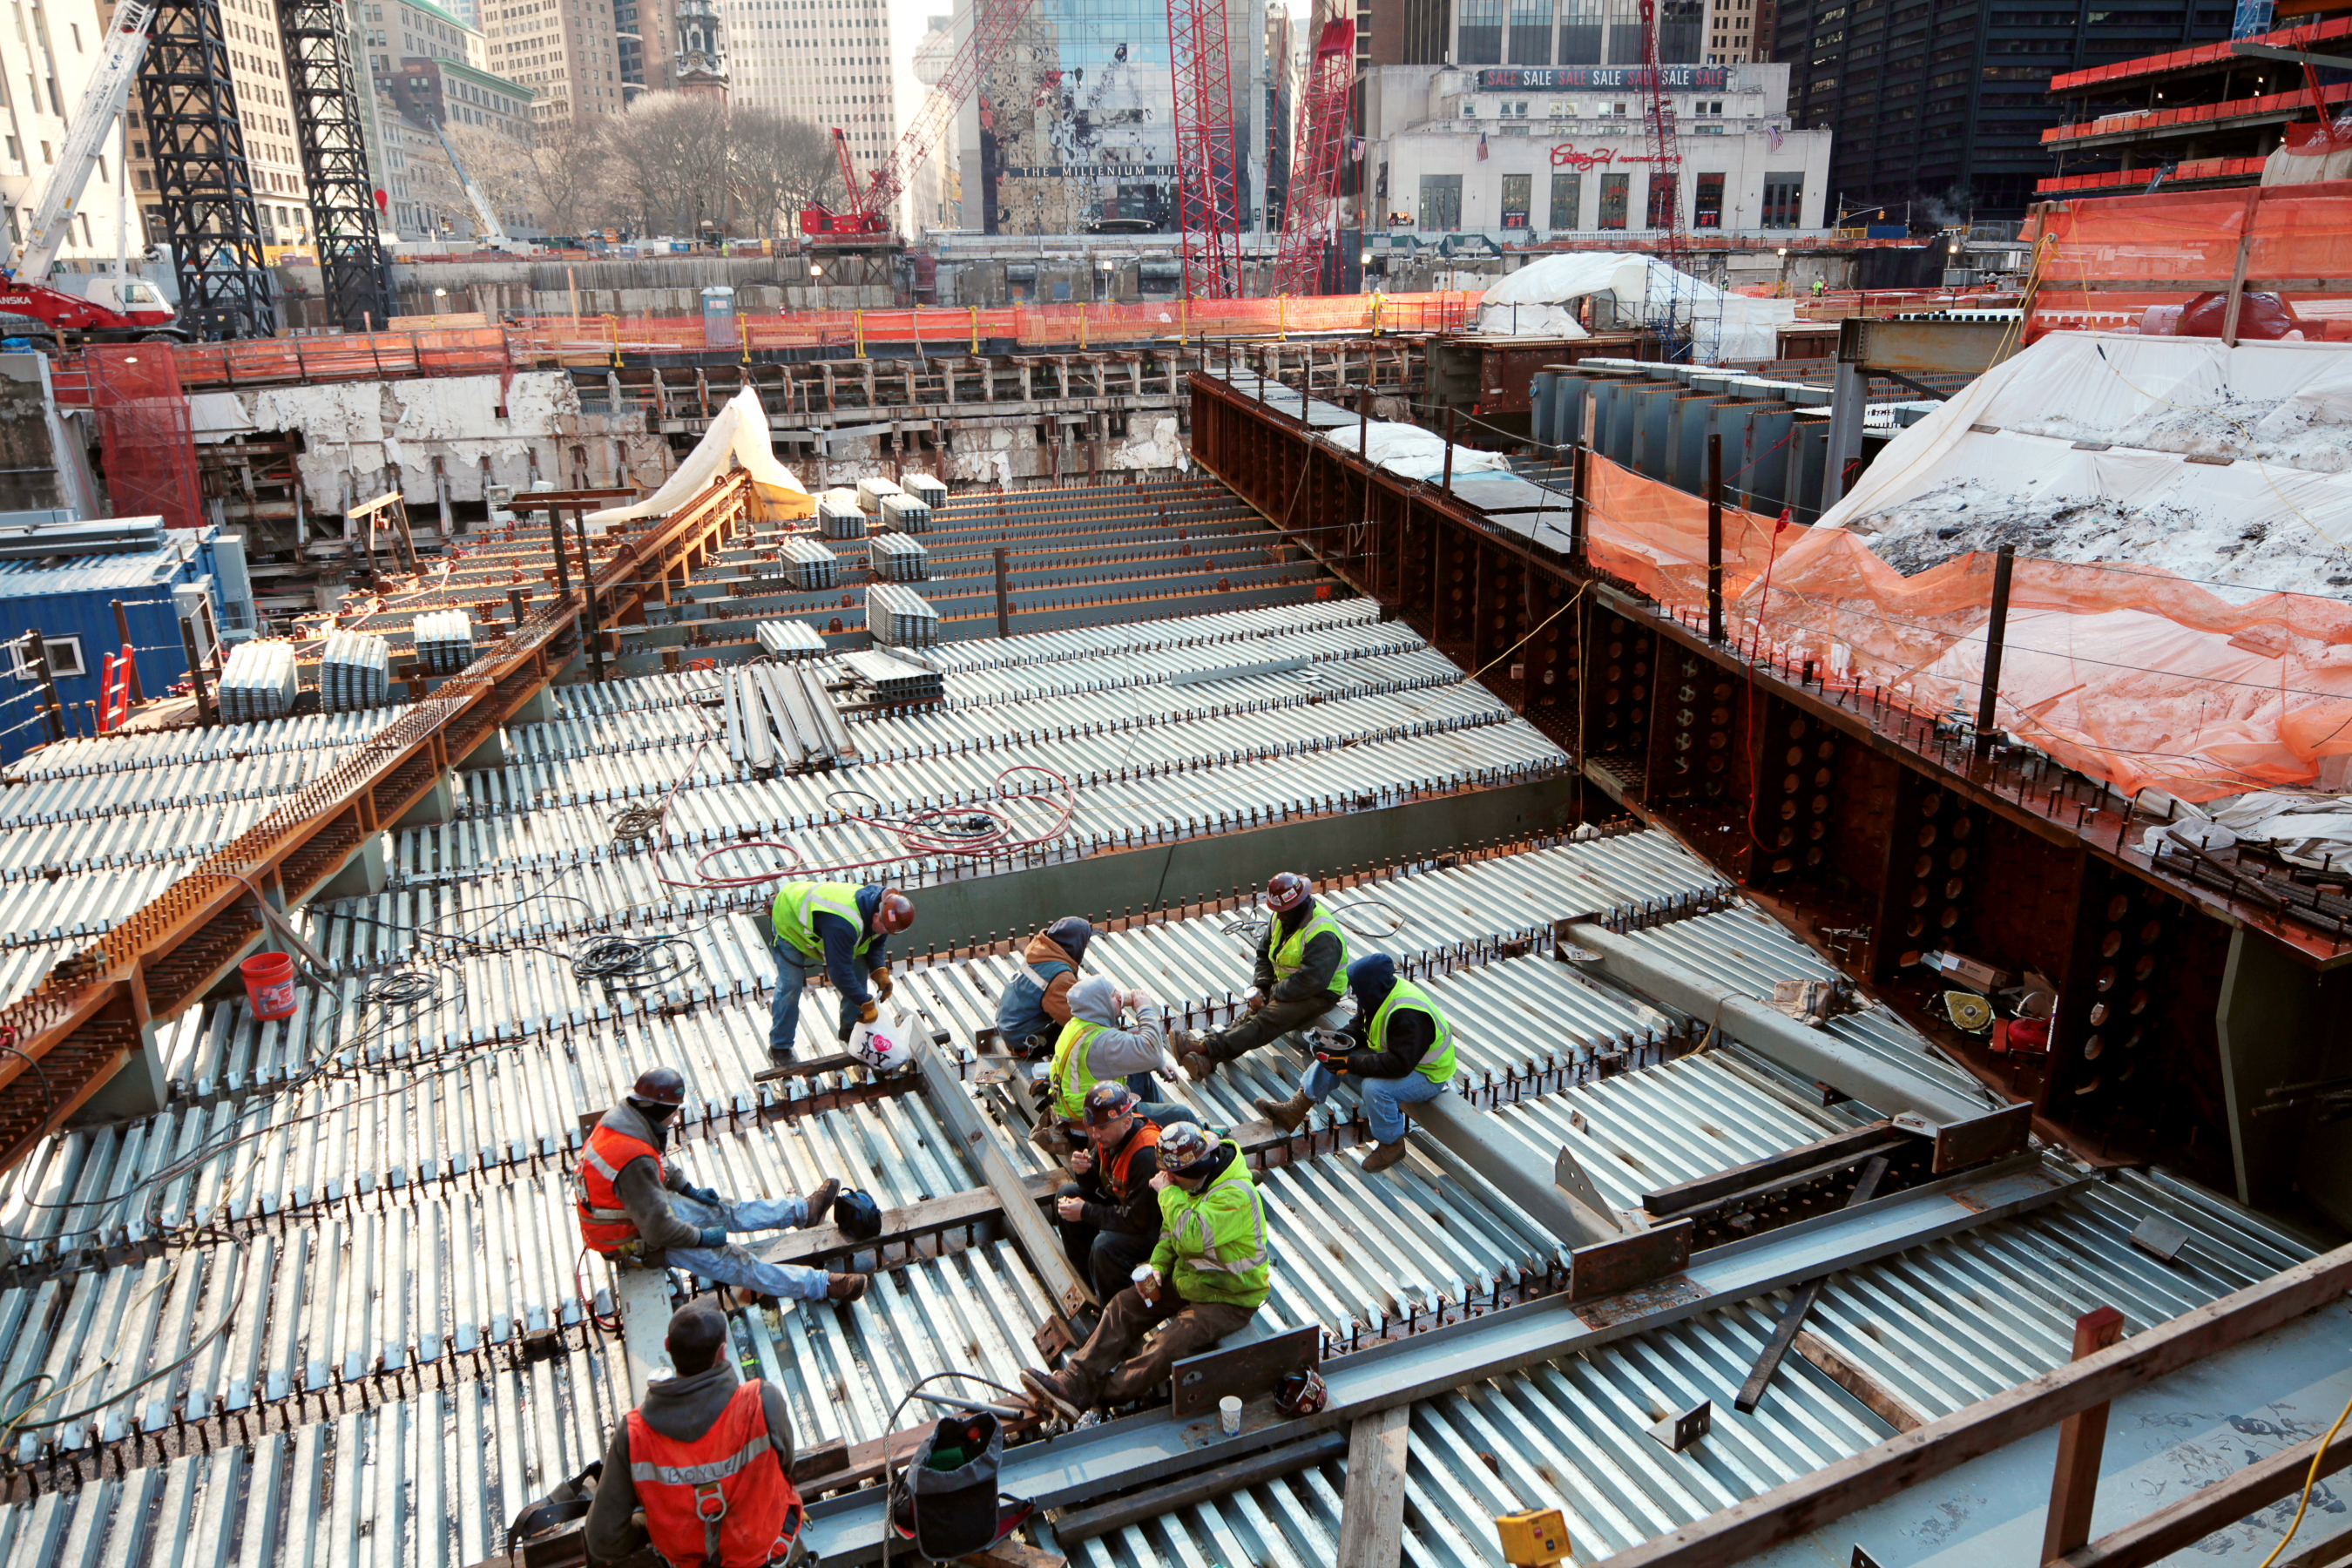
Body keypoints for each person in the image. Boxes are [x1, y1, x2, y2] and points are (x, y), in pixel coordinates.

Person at [1020, 1120, 1270, 1418]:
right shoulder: (1188, 1186)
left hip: (1228, 1296)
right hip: (1190, 1278)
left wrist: (1166, 1193)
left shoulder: (1235, 1195)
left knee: (1167, 1345)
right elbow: (1170, 1233)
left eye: (1170, 1176)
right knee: (1123, 1306)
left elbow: (1191, 1233)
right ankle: (1072, 1382)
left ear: (1190, 1171)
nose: (1166, 1180)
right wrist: (1158, 1267)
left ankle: (1097, 1395)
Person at [577, 1066, 868, 1304]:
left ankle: (803, 1211)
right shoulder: (633, 1158)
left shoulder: (626, 1121)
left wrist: (689, 1191)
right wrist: (703, 1239)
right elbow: (659, 1230)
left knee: (720, 1209)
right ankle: (822, 1286)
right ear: (655, 1108)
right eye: (674, 1111)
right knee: (734, 1261)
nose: (677, 1117)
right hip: (631, 1237)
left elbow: (660, 1162)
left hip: (637, 1210)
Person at [585, 1303, 807, 1567]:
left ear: (667, 1345)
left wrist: (650, 1525)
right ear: (723, 1351)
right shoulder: (761, 1401)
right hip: (766, 1556)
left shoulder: (634, 1434)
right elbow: (787, 1466)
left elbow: (603, 1538)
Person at [1254, 954, 1456, 1174]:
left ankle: (1392, 1144)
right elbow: (1360, 1025)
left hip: (1427, 1074)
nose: (1354, 994)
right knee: (1332, 1055)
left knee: (1376, 1088)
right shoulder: (1376, 993)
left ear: (1370, 986)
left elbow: (1399, 1065)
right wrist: (1336, 1041)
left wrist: (1350, 1064)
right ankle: (1294, 1111)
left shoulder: (1408, 1014)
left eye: (1358, 990)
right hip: (1397, 1056)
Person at [1174, 872, 1349, 1081]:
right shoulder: (1280, 918)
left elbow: (1312, 981)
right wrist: (1263, 986)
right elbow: (1264, 954)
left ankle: (1204, 1047)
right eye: (1277, 910)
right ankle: (1208, 1062)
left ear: (1299, 904)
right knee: (1251, 1015)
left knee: (1266, 1019)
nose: (1279, 915)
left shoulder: (1321, 933)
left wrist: (1274, 993)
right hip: (1287, 985)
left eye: (1284, 911)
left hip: (1320, 993)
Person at [767, 882, 914, 1066]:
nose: (886, 933)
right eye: (885, 928)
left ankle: (850, 1030)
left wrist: (880, 972)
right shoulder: (844, 924)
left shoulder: (883, 909)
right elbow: (839, 974)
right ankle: (779, 1048)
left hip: (825, 927)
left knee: (860, 968)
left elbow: (875, 943)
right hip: (790, 922)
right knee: (791, 986)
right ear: (876, 916)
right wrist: (865, 1003)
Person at [1037, 976, 1196, 1142]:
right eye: (1113, 996)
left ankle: (1156, 1132)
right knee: (1181, 1114)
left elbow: (1143, 1055)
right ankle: (1196, 1145)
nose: (1120, 997)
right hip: (1094, 1121)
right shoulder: (1102, 1042)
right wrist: (1144, 1008)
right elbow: (1152, 1051)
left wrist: (1158, 1063)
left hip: (1078, 1106)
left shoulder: (1078, 1024)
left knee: (1140, 1072)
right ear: (1099, 1005)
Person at [1054, 1083, 1167, 1303]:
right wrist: (1084, 1172)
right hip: (1130, 1209)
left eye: (1102, 1128)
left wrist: (1086, 1211)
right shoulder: (1110, 1136)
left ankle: (1118, 1309)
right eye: (1091, 1127)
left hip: (1155, 1225)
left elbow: (1137, 1222)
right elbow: (1093, 1186)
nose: (1095, 1135)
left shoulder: (1145, 1155)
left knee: (1106, 1246)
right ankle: (1091, 1283)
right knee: (1066, 1195)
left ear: (1127, 1121)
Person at [995, 916, 1097, 1058]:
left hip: (1011, 1030)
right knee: (1088, 1029)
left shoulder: (1042, 955)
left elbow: (1067, 986)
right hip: (1026, 1044)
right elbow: (1073, 1017)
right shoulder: (1059, 978)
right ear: (1076, 944)